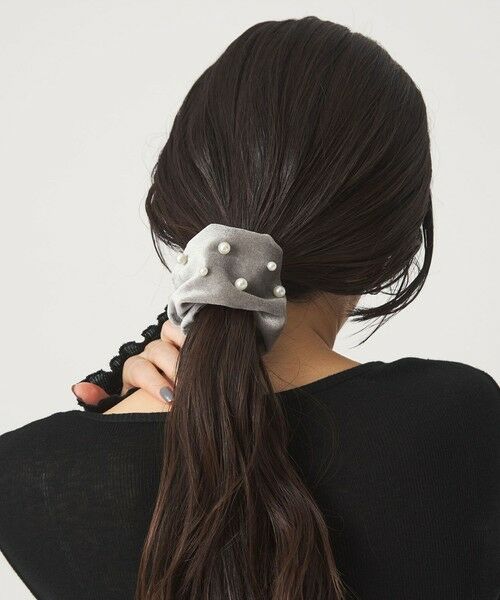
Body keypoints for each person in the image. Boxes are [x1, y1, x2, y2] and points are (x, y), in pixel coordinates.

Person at [0, 16, 498, 600]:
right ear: (395, 238)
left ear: (179, 197)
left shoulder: (29, 475)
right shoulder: (457, 423)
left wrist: (115, 410)